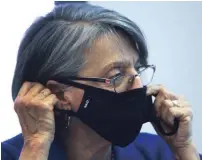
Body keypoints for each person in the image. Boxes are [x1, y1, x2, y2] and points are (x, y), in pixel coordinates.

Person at [1, 3, 201, 160]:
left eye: (138, 69)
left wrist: (184, 149)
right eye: (116, 75)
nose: (139, 86)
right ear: (60, 94)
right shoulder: (14, 155)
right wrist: (35, 147)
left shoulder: (157, 152)